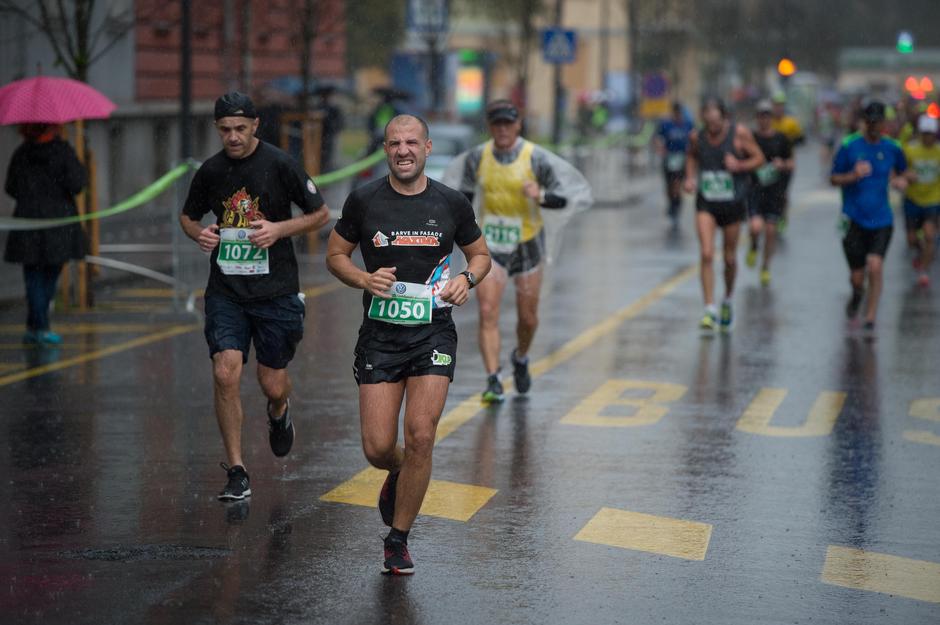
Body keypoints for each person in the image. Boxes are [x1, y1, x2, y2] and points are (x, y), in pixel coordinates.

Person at [326, 114, 491, 575]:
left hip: (433, 331)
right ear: (386, 150)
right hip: (380, 333)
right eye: (395, 143)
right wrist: (363, 277)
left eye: (412, 142)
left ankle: (397, 539)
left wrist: (466, 278)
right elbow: (334, 255)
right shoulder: (363, 201)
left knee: (421, 434)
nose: (403, 150)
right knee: (378, 448)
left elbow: (481, 255)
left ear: (427, 147)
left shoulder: (451, 203)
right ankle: (397, 472)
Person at [179, 92, 330, 500]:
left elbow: (320, 213)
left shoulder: (280, 164)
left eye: (240, 129)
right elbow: (188, 216)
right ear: (217, 129)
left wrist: (279, 230)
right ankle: (237, 470)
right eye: (225, 130)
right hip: (226, 291)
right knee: (225, 370)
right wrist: (201, 234)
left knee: (272, 383)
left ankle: (279, 414)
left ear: (255, 126)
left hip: (276, 291)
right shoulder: (211, 171)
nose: (232, 137)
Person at [459, 100, 569, 402]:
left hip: (528, 243)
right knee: (487, 310)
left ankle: (520, 357)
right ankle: (493, 378)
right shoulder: (478, 157)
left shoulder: (535, 158)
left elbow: (561, 199)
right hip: (491, 244)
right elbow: (463, 200)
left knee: (528, 318)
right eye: (497, 124)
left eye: (508, 123)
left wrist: (541, 194)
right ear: (490, 127)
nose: (503, 129)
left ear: (518, 125)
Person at [684, 97, 765, 331]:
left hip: (732, 203)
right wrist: (690, 178)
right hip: (707, 203)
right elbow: (692, 156)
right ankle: (709, 309)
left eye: (716, 122)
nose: (712, 127)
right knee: (707, 254)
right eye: (707, 122)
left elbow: (759, 158)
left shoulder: (739, 134)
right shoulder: (696, 137)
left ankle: (727, 299)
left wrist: (740, 166)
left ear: (724, 118)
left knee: (729, 258)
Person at [4, 123, 87, 345]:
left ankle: (35, 325)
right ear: (53, 126)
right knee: (49, 274)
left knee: (32, 275)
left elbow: (10, 187)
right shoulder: (62, 151)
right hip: (58, 222)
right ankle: (39, 326)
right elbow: (78, 184)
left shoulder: (22, 153)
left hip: (28, 220)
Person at [830, 100, 908, 331]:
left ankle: (871, 316)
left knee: (875, 265)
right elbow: (833, 178)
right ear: (864, 122)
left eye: (878, 122)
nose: (874, 126)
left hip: (882, 219)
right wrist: (852, 175)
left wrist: (901, 180)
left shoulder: (893, 148)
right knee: (857, 277)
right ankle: (857, 295)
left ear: (884, 122)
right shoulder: (849, 146)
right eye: (870, 122)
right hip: (853, 218)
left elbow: (904, 172)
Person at [746, 99, 795, 285]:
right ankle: (752, 246)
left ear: (771, 118)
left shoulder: (781, 139)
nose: (764, 120)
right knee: (755, 227)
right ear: (757, 118)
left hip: (775, 191)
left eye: (767, 116)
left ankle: (765, 266)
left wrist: (782, 165)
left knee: (770, 231)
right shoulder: (750, 138)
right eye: (760, 116)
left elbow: (791, 163)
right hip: (755, 190)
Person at [901, 115, 940, 287]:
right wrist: (906, 175)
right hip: (912, 200)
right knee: (911, 239)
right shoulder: (910, 150)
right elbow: (899, 170)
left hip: (933, 200)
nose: (928, 137)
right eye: (925, 133)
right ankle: (921, 252)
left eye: (931, 133)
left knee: (929, 235)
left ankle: (923, 271)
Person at [655, 101, 695, 227]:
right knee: (669, 185)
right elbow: (658, 138)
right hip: (669, 158)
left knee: (678, 184)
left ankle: (676, 207)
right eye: (676, 113)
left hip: (683, 158)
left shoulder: (688, 124)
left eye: (679, 113)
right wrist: (661, 149)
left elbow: (694, 137)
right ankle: (671, 203)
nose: (677, 115)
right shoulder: (666, 124)